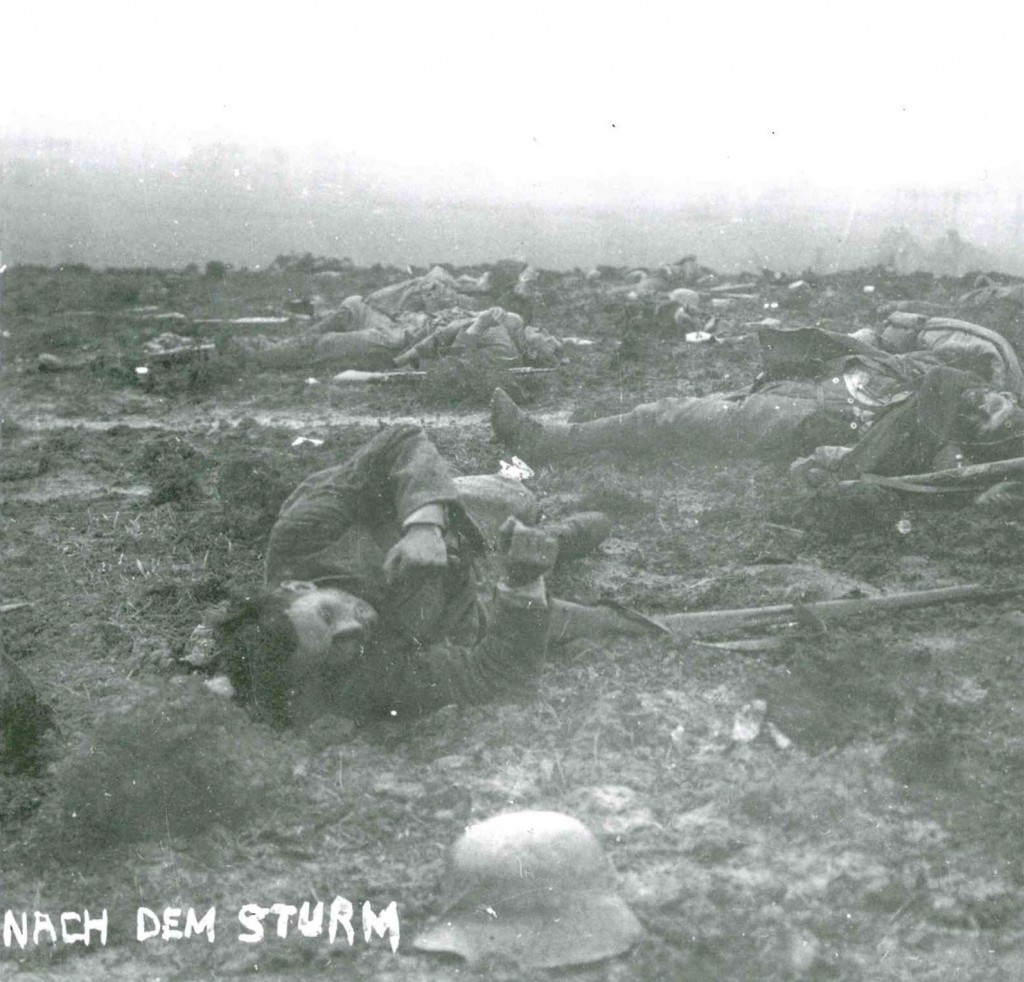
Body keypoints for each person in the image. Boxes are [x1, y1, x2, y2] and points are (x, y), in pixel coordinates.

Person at [213, 424, 607, 728]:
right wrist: (523, 582)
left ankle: (559, 534)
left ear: (297, 588)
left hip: (459, 525)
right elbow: (497, 677)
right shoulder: (361, 680)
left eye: (330, 613)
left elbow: (401, 440)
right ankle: (544, 547)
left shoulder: (303, 536)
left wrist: (422, 526)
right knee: (606, 624)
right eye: (338, 647)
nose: (356, 623)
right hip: (470, 614)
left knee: (518, 499)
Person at [491, 324, 1024, 476]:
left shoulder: (935, 430)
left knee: (673, 415)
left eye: (987, 418)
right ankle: (582, 440)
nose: (984, 405)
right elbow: (914, 341)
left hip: (809, 421)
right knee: (686, 415)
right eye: (994, 401)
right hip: (815, 391)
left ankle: (547, 443)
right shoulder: (940, 378)